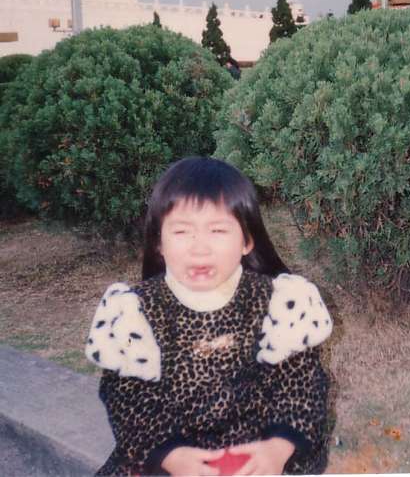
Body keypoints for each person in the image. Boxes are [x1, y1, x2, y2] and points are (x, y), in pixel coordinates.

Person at [85, 157, 334, 476]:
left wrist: (278, 448)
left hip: (253, 457)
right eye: (182, 231)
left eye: (217, 230)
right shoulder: (135, 312)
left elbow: (301, 385)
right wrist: (170, 455)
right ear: (159, 242)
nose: (199, 248)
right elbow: (127, 397)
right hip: (167, 455)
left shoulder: (279, 304)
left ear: (247, 240)